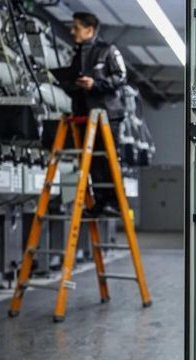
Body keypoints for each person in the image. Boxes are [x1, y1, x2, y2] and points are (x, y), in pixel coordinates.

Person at [60, 11, 128, 216]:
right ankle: (100, 201)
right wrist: (67, 83)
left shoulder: (108, 51)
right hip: (84, 114)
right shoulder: (76, 55)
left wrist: (96, 84)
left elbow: (121, 77)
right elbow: (72, 83)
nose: (72, 32)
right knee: (91, 162)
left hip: (107, 115)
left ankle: (115, 202)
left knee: (108, 158)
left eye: (76, 28)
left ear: (89, 30)